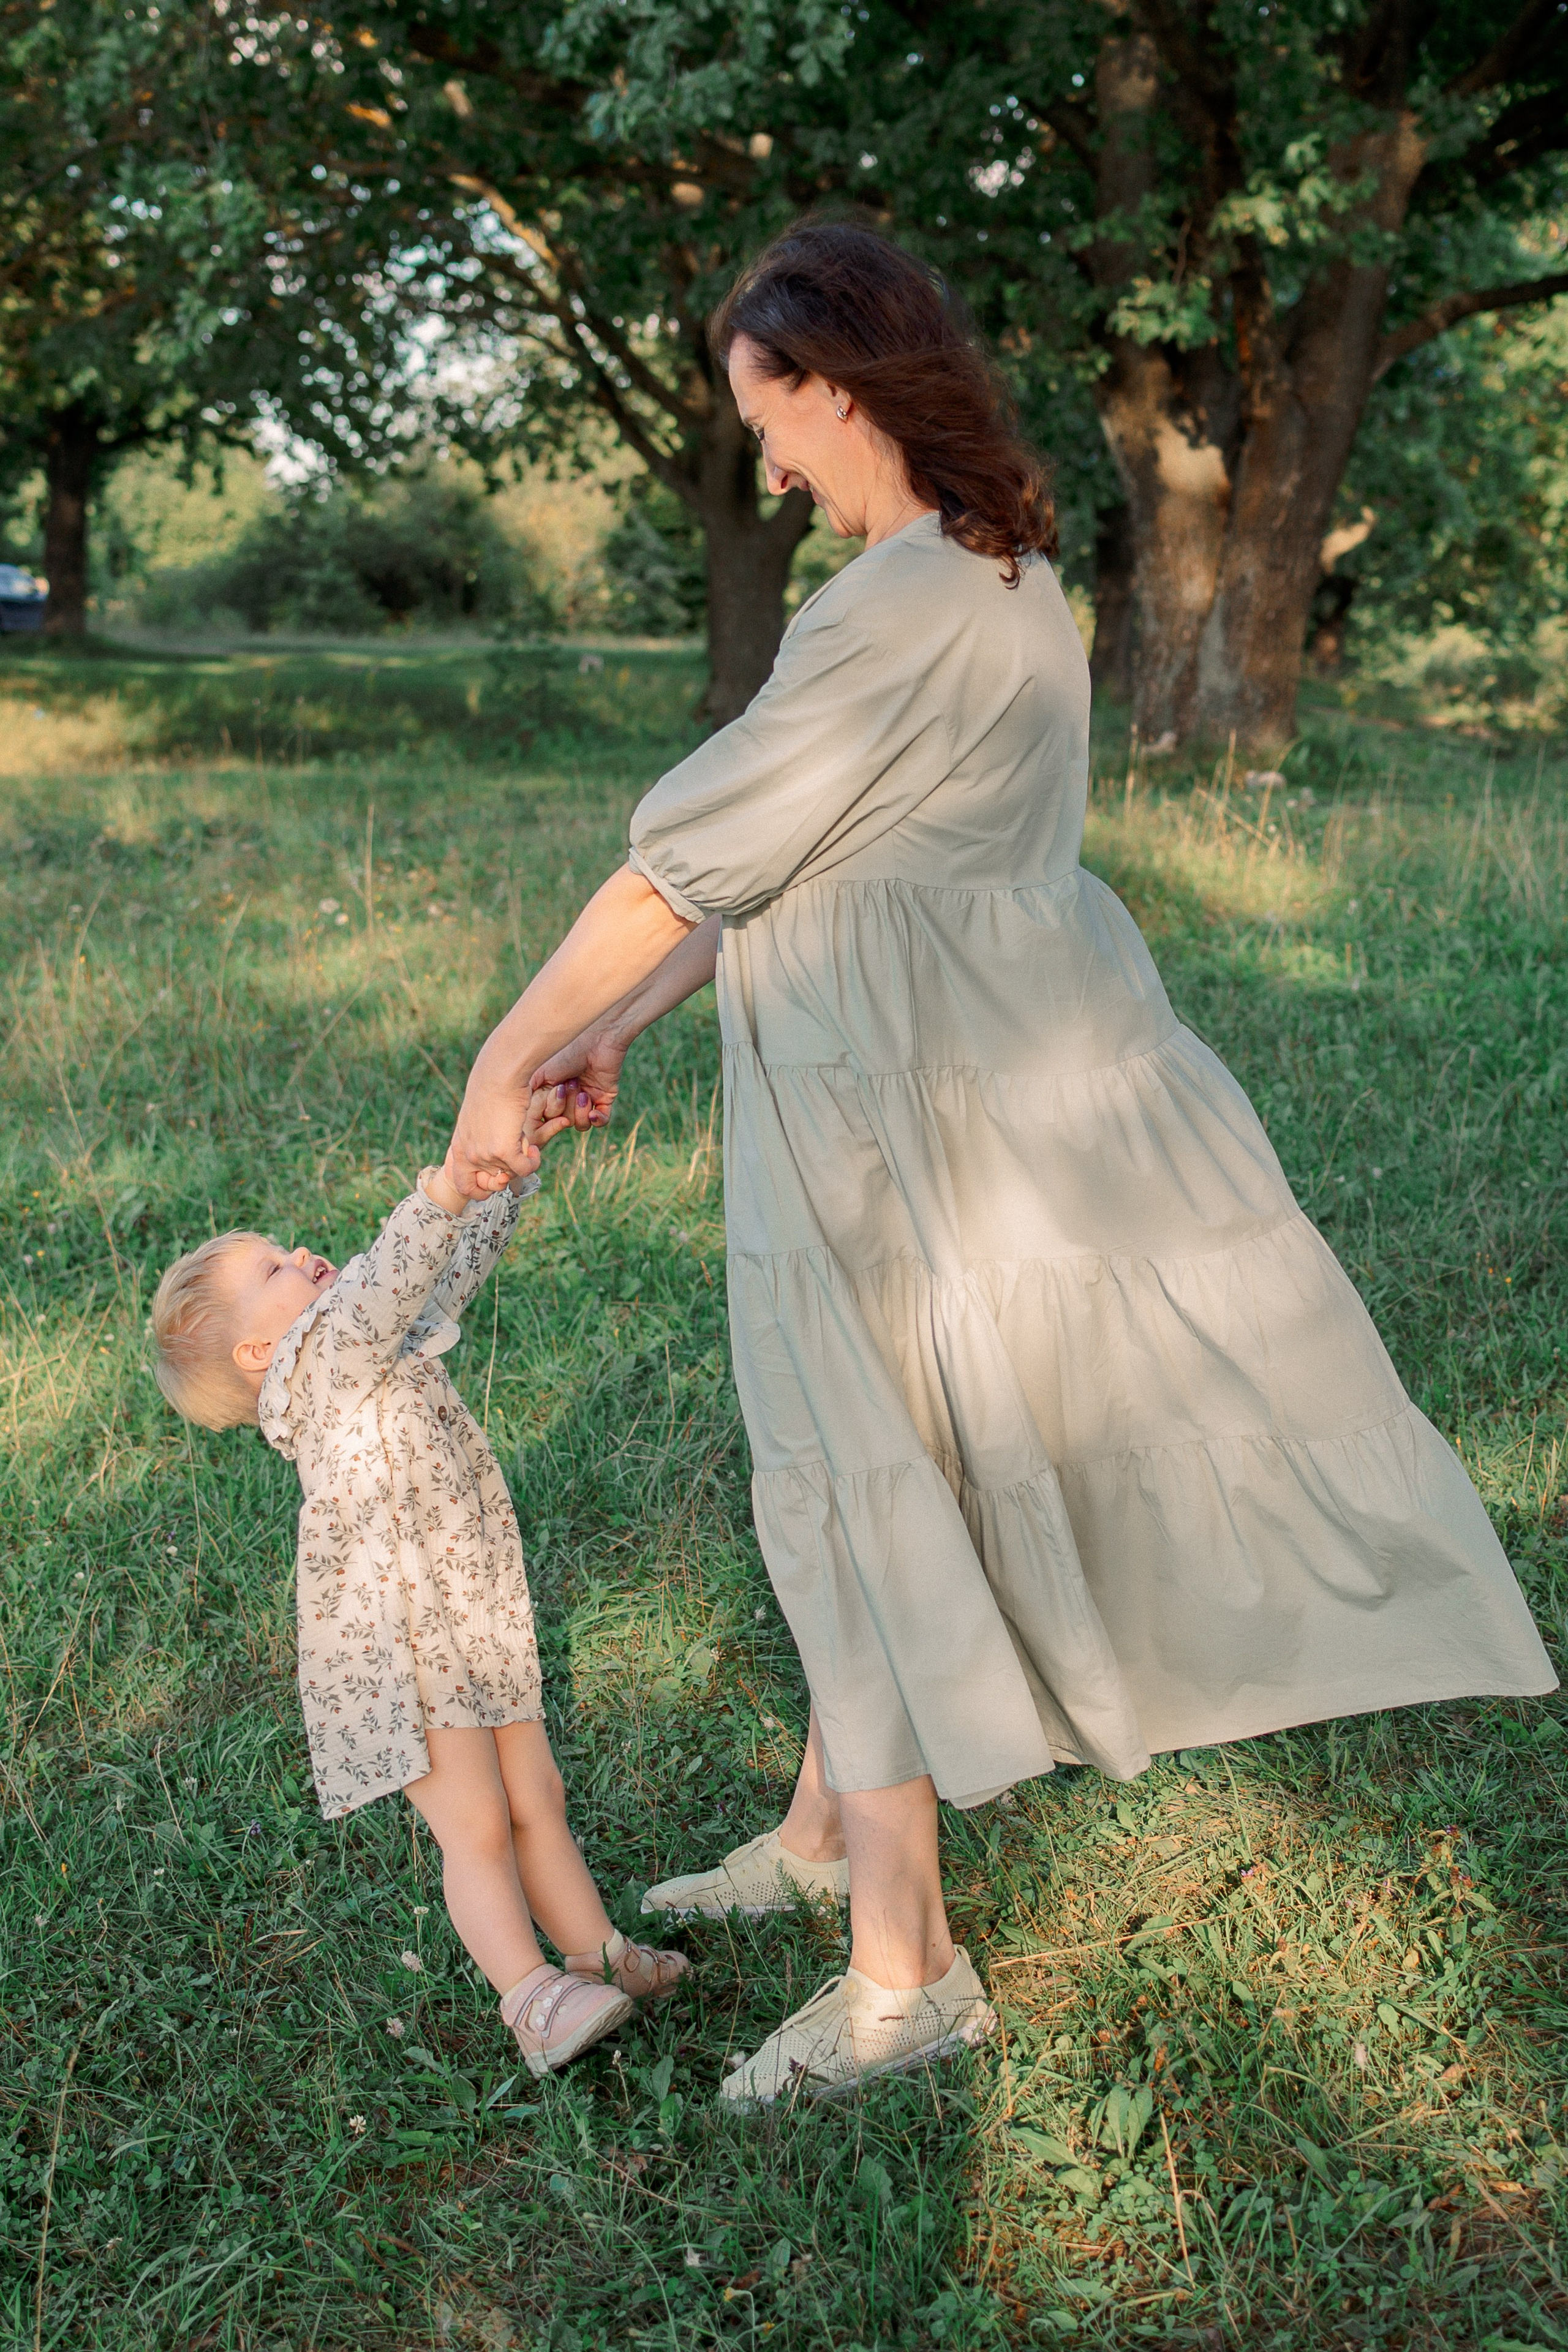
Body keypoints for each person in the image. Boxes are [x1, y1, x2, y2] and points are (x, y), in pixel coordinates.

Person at [446, 219, 1555, 2109]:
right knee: (862, 1453)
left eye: (767, 418)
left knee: (858, 1469)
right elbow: (812, 853)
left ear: (842, 381)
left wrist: (504, 1058)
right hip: (961, 1092)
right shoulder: (1006, 575)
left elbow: (682, 860)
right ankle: (818, 1835)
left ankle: (908, 1973)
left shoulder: (890, 607)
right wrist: (622, 1025)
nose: (764, 467)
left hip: (893, 1116)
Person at [149, 1144, 688, 2078]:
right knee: (474, 1821)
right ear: (256, 1354)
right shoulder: (316, 1365)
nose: (306, 1255)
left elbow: (438, 1270)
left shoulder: (365, 1332)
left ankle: (598, 1953)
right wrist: (441, 1189)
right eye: (276, 1268)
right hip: (398, 1643)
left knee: (536, 1797)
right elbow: (392, 1273)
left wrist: (499, 1186)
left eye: (288, 1249)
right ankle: (530, 1998)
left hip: (470, 1607)